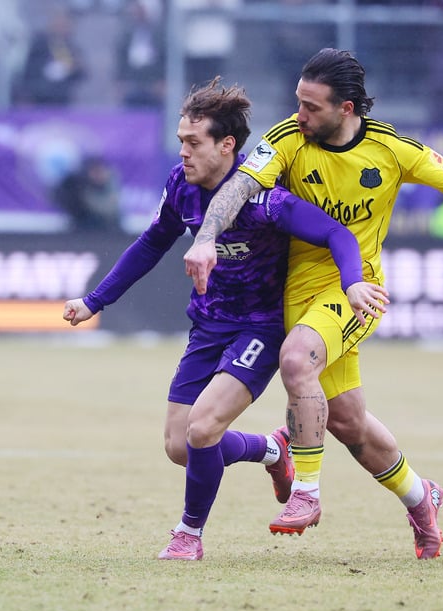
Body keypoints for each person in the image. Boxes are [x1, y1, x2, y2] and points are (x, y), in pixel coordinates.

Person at [183, 48, 443, 559]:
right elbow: (238, 187)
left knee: (295, 359)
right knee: (347, 423)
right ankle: (421, 496)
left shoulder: (392, 149)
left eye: (312, 107)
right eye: (298, 102)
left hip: (355, 289)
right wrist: (207, 236)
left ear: (347, 108)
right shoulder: (285, 140)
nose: (299, 115)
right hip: (295, 295)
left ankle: (305, 492)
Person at [63, 78, 388, 561]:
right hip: (209, 325)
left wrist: (352, 279)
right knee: (180, 446)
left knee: (203, 429)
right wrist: (96, 300)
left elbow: (337, 233)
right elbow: (152, 243)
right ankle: (271, 450)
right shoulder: (182, 185)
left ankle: (188, 534)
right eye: (180, 142)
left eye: (194, 143)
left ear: (227, 145)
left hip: (260, 327)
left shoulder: (265, 199)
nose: (184, 153)